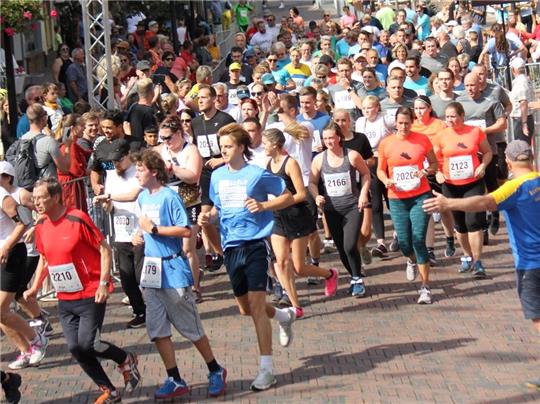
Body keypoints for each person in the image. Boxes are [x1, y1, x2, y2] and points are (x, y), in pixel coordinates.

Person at [422, 139, 540, 390]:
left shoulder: (514, 187)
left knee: (538, 317)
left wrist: (448, 204)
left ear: (507, 161)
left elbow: (486, 203)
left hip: (531, 263)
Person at [23, 177, 141, 403]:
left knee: (89, 344)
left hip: (90, 293)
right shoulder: (42, 225)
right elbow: (45, 258)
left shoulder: (78, 218)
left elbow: (104, 249)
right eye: (34, 198)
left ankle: (125, 359)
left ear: (56, 197)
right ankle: (109, 390)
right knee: (76, 348)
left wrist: (104, 283)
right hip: (65, 298)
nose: (36, 202)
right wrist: (35, 288)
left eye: (41, 198)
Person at [198, 123, 297, 391]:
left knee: (255, 306)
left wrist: (264, 205)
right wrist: (208, 217)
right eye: (222, 147)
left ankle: (267, 369)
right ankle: (283, 317)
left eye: (229, 146)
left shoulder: (256, 174)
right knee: (245, 308)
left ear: (242, 147)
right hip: (231, 246)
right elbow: (219, 208)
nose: (224, 151)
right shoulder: (217, 176)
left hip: (255, 243)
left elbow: (288, 196)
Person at [130, 150, 226, 399]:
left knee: (190, 327)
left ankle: (215, 369)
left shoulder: (169, 197)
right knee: (157, 328)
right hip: (152, 271)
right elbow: (144, 228)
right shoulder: (142, 198)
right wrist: (139, 235)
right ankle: (174, 377)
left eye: (140, 169)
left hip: (173, 268)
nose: (136, 174)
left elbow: (185, 231)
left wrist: (154, 229)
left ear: (153, 171)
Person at [264, 128, 338, 317]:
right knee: (280, 262)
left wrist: (277, 202)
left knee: (299, 267)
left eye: (265, 142)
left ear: (274, 144)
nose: (263, 146)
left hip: (297, 217)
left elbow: (301, 194)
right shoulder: (269, 164)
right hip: (278, 218)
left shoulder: (291, 164)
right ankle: (296, 306)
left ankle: (329, 274)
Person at [377, 107, 438, 304]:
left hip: (420, 195)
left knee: (419, 239)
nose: (403, 126)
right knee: (404, 243)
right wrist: (386, 180)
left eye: (407, 122)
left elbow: (434, 164)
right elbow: (380, 170)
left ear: (412, 122)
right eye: (400, 122)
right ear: (395, 122)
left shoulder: (422, 139)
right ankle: (410, 259)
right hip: (397, 198)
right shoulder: (386, 143)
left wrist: (425, 171)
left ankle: (425, 287)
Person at [309, 122, 371, 297]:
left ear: (339, 138)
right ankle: (355, 278)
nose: (329, 141)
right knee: (341, 247)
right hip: (331, 209)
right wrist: (316, 196)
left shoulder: (351, 156)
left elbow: (366, 174)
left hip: (352, 206)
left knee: (350, 245)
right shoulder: (319, 159)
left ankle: (357, 278)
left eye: (332, 138)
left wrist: (363, 194)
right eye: (326, 138)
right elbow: (312, 183)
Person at [432, 102, 492, 277]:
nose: (450, 120)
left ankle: (478, 261)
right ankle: (467, 257)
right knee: (460, 225)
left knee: (473, 222)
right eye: (447, 117)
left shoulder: (475, 132)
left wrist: (483, 166)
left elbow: (487, 152)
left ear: (462, 115)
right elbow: (433, 160)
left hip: (473, 182)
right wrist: (437, 173)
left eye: (453, 116)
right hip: (450, 185)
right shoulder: (440, 136)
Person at [93, 139, 147, 328]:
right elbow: (110, 207)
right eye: (113, 161)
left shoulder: (139, 172)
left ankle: (158, 307)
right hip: (121, 232)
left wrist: (108, 197)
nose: (116, 164)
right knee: (127, 278)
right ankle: (140, 311)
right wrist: (105, 204)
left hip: (141, 231)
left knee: (143, 276)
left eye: (119, 160)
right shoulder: (111, 176)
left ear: (128, 157)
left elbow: (133, 195)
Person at [1, 167, 48, 370]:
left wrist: (6, 246)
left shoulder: (4, 197)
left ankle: (36, 337)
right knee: (1, 314)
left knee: (1, 309)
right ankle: (25, 350)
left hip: (12, 255)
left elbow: (22, 224)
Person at [509, 58, 535, 144]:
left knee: (522, 149)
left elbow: (523, 102)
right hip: (525, 118)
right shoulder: (525, 80)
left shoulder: (520, 82)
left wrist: (524, 124)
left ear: (513, 70)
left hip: (522, 119)